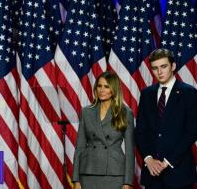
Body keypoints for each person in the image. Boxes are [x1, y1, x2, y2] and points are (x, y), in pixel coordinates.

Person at [135, 48, 197, 189]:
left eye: (163, 66)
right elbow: (140, 131)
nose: (159, 72)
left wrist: (167, 161)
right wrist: (148, 159)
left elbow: (192, 131)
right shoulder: (146, 94)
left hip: (179, 173)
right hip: (152, 174)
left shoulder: (189, 93)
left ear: (173, 66)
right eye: (155, 68)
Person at [72, 71, 135, 189]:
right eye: (99, 86)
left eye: (106, 86)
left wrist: (128, 182)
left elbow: (130, 151)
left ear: (114, 89)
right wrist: (75, 179)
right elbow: (79, 147)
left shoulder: (125, 113)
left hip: (114, 173)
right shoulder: (86, 112)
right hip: (88, 171)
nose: (102, 90)